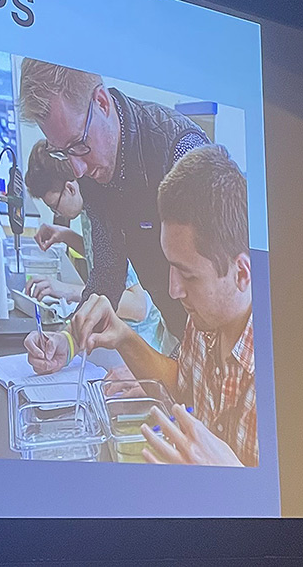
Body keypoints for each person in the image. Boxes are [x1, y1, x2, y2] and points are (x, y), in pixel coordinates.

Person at [67, 145, 256, 466]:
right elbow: (183, 384)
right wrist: (123, 336)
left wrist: (231, 475)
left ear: (241, 273)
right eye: (171, 266)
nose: (173, 290)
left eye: (188, 275)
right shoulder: (205, 319)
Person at [18, 57, 208, 341]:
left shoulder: (180, 151)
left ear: (102, 103)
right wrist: (68, 342)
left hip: (212, 338)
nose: (77, 169)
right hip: (177, 331)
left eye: (78, 145)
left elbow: (221, 291)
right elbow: (107, 272)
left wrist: (167, 367)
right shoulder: (92, 168)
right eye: (61, 152)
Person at [22, 140, 177, 360]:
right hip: (114, 340)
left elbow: (137, 306)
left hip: (136, 349)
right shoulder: (88, 211)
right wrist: (66, 237)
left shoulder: (105, 211)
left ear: (70, 187)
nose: (56, 212)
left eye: (54, 206)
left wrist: (69, 291)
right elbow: (107, 263)